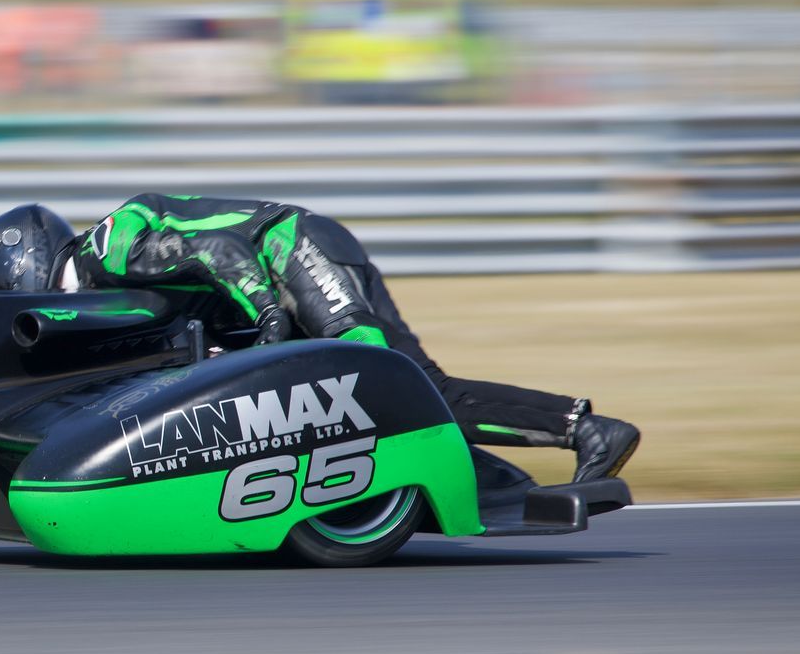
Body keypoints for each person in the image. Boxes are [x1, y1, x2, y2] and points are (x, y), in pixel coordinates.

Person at [69, 193, 640, 483]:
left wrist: (270, 319)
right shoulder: (110, 261)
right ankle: (549, 448)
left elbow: (221, 252)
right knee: (413, 390)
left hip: (293, 251)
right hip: (291, 261)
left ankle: (586, 432)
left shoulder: (107, 247)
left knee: (386, 386)